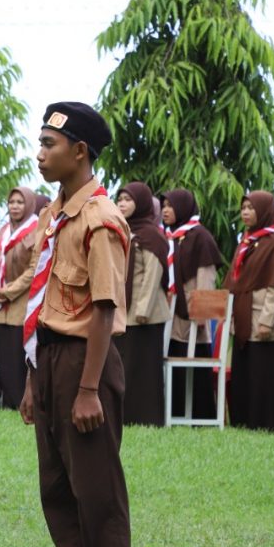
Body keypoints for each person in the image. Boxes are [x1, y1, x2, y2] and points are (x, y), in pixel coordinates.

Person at [19, 102, 132, 547]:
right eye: (40, 143)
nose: (40, 154)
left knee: (97, 490)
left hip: (87, 362)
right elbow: (45, 300)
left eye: (50, 145)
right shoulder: (54, 215)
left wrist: (89, 389)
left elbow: (105, 311)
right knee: (58, 489)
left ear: (80, 151)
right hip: (50, 360)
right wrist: (31, 379)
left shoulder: (101, 219)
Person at [161, 189, 223, 420]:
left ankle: (201, 416)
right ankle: (176, 414)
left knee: (196, 368)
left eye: (170, 205)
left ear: (183, 207)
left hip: (193, 317)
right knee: (175, 365)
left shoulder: (200, 236)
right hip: (174, 314)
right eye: (163, 205)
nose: (165, 210)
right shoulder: (173, 237)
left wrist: (201, 316)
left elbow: (206, 280)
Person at [113, 181, 170, 426]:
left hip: (144, 314)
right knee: (123, 365)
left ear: (142, 203)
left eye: (128, 199)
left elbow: (152, 275)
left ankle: (146, 416)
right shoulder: (120, 230)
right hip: (122, 312)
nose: (122, 204)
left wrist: (142, 310)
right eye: (120, 199)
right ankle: (122, 414)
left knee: (142, 368)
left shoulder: (151, 235)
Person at [226, 191, 274, 431]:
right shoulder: (247, 242)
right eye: (243, 207)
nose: (245, 212)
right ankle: (243, 420)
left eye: (251, 207)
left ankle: (264, 423)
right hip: (244, 317)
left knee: (263, 372)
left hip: (262, 319)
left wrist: (267, 321)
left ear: (264, 210)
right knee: (245, 371)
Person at [0, 186, 40, 409]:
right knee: (5, 360)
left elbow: (33, 271)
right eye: (11, 202)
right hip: (0, 307)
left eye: (19, 202)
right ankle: (9, 403)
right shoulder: (4, 231)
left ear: (28, 205)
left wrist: (7, 291)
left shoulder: (36, 230)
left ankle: (23, 406)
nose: (14, 206)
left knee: (20, 361)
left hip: (21, 306)